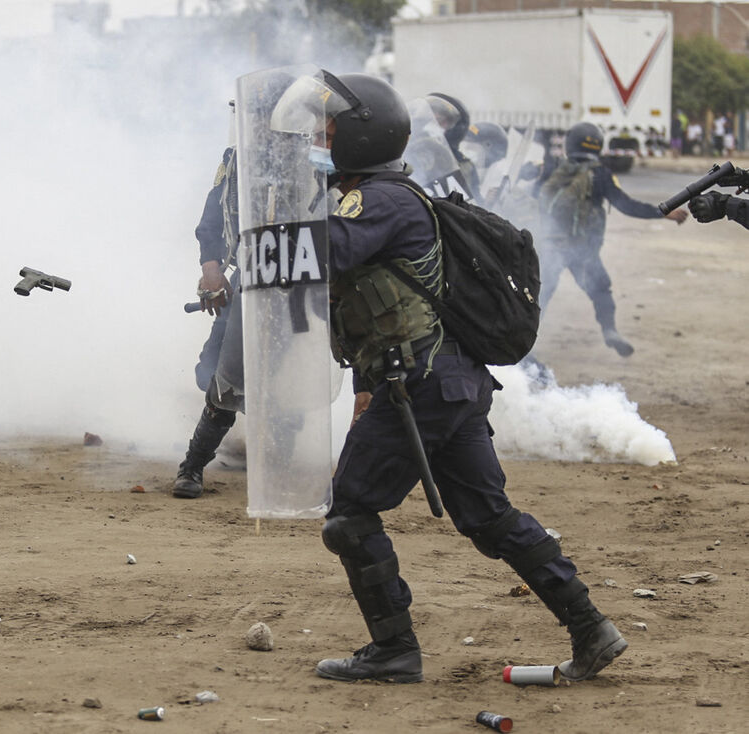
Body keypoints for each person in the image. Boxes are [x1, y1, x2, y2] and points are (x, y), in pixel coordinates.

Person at [291, 71, 629, 685]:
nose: (318, 137)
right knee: (491, 518)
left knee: (350, 514)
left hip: (419, 386)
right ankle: (590, 626)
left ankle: (394, 649)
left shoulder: (377, 200)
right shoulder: (390, 194)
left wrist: (275, 211)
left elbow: (318, 254)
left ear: (362, 137)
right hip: (452, 384)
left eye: (328, 128)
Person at [535, 121, 687, 357]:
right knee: (600, 290)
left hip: (550, 244)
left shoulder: (553, 169)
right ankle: (610, 331)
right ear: (598, 146)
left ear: (569, 144)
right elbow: (625, 205)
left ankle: (525, 342)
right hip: (583, 248)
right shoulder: (600, 173)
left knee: (540, 294)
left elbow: (531, 198)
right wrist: (662, 212)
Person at [172, 142, 243, 499]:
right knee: (216, 374)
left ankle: (277, 460)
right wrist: (211, 267)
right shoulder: (239, 158)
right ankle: (195, 463)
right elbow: (214, 216)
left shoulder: (321, 156)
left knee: (289, 382)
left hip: (304, 286)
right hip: (254, 276)